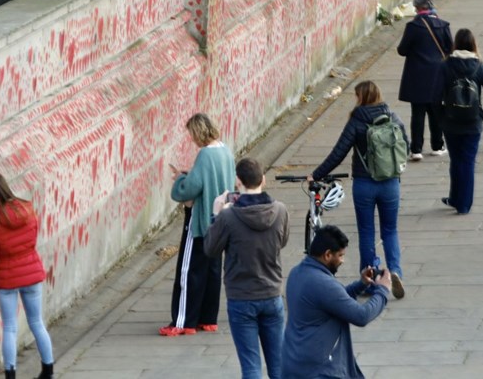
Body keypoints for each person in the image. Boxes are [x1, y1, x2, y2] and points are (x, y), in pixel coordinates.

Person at [310, 81, 407, 299]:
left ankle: (371, 281)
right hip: (390, 183)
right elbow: (405, 146)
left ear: (360, 97)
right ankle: (395, 272)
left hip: (364, 184)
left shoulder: (357, 120)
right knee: (390, 230)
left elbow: (338, 153)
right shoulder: (393, 117)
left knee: (366, 232)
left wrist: (316, 174)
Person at [204, 158, 289, 379]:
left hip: (241, 297)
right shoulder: (280, 211)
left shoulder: (228, 217)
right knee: (278, 365)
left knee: (251, 366)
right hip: (272, 294)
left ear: (237, 182)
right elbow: (283, 241)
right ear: (264, 180)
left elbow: (210, 249)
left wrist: (216, 214)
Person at [280, 225, 392, 379]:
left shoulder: (297, 272)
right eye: (340, 255)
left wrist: (361, 285)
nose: (343, 261)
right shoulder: (322, 283)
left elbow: (331, 302)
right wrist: (383, 290)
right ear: (327, 255)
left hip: (295, 362)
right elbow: (361, 316)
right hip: (317, 370)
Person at [162, 113, 235, 336]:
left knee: (189, 270)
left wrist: (179, 181)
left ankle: (183, 321)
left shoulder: (204, 154)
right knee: (212, 270)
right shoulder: (225, 150)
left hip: (200, 219)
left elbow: (191, 188)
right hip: (220, 220)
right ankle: (208, 318)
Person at [0, 174, 54, 379]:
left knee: (10, 327)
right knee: (37, 323)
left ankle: (11, 375)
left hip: (7, 278)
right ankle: (48, 371)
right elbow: (32, 238)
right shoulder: (27, 209)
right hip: (31, 272)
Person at [436, 29, 483, 215]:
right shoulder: (479, 66)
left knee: (456, 160)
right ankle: (462, 202)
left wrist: (441, 118)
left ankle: (457, 200)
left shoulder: (445, 66)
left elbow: (435, 97)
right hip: (473, 122)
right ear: (473, 44)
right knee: (468, 162)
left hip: (451, 121)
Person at [396, 0, 453, 160]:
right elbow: (450, 48)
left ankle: (416, 149)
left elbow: (402, 50)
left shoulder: (413, 27)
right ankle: (437, 145)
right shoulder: (442, 25)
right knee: (436, 112)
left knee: (418, 114)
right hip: (437, 75)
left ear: (416, 7)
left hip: (417, 76)